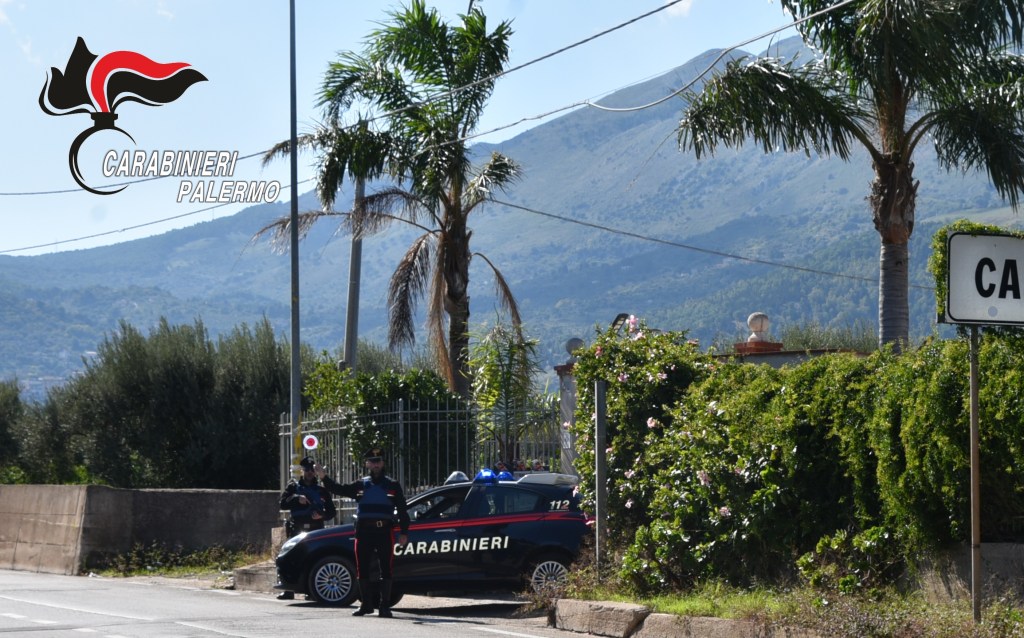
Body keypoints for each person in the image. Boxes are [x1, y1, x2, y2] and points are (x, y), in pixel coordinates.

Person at [317, 447, 409, 618]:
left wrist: (404, 532)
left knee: (386, 568)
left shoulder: (393, 485)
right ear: (367, 464)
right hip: (364, 532)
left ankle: (384, 606)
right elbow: (340, 489)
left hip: (384, 531)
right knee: (362, 568)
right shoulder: (361, 484)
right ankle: (366, 605)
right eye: (372, 462)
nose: (375, 464)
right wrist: (324, 477)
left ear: (383, 463)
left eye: (378, 461)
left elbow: (403, 510)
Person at [278, 455, 336, 600]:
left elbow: (332, 512)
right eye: (307, 469)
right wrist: (296, 498)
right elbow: (282, 504)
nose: (310, 472)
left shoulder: (322, 490)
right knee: (291, 558)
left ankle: (311, 591)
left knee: (314, 559)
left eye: (312, 470)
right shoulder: (293, 487)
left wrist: (322, 515)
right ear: (302, 471)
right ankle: (288, 589)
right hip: (296, 529)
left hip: (315, 529)